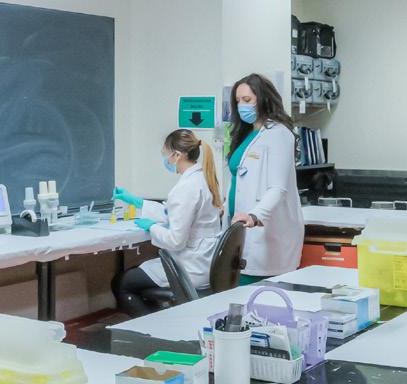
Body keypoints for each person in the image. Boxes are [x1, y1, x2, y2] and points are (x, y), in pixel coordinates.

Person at [110, 130, 225, 317]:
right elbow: (173, 212)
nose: (165, 159)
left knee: (122, 283)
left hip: (191, 267)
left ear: (177, 155)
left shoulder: (186, 188)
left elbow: (175, 241)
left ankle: (154, 329)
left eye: (165, 154)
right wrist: (138, 202)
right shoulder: (203, 179)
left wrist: (152, 227)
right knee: (136, 273)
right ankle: (161, 321)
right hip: (205, 262)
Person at [226, 73, 303, 278]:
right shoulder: (246, 134)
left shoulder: (278, 134)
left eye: (247, 99)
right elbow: (239, 180)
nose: (241, 106)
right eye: (238, 101)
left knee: (259, 293)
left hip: (265, 235)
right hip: (239, 231)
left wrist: (254, 215)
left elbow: (278, 188)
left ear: (263, 99)